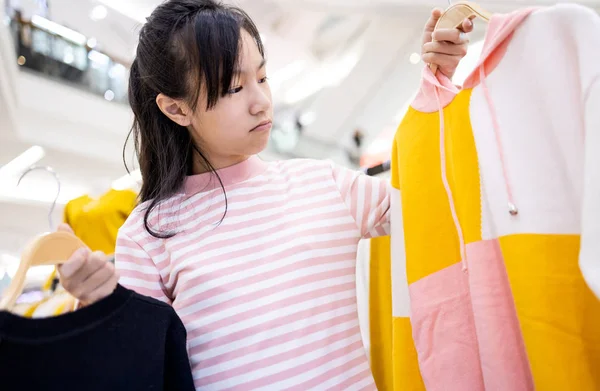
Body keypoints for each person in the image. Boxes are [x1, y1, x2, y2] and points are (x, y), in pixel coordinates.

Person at [56, 0, 473, 388]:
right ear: (176, 109)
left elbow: (433, 199)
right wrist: (96, 307)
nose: (261, 102)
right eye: (234, 88)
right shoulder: (148, 237)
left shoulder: (323, 184)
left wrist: (436, 84)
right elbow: (137, 368)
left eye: (262, 76)